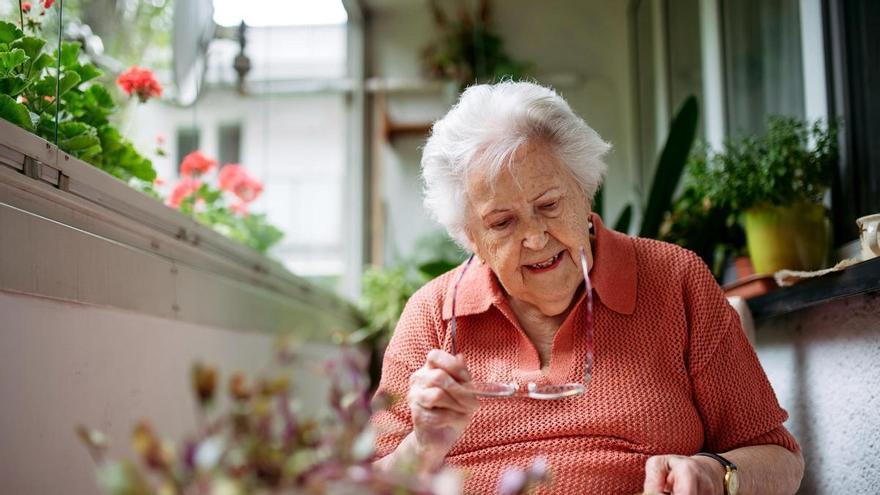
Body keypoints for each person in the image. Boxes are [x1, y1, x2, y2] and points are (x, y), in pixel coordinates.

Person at [371, 81, 803, 494]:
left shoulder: (675, 281)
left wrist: (714, 473)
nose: (536, 238)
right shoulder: (432, 313)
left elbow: (780, 459)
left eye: (549, 205)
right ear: (470, 237)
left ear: (584, 190)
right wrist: (424, 445)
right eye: (502, 222)